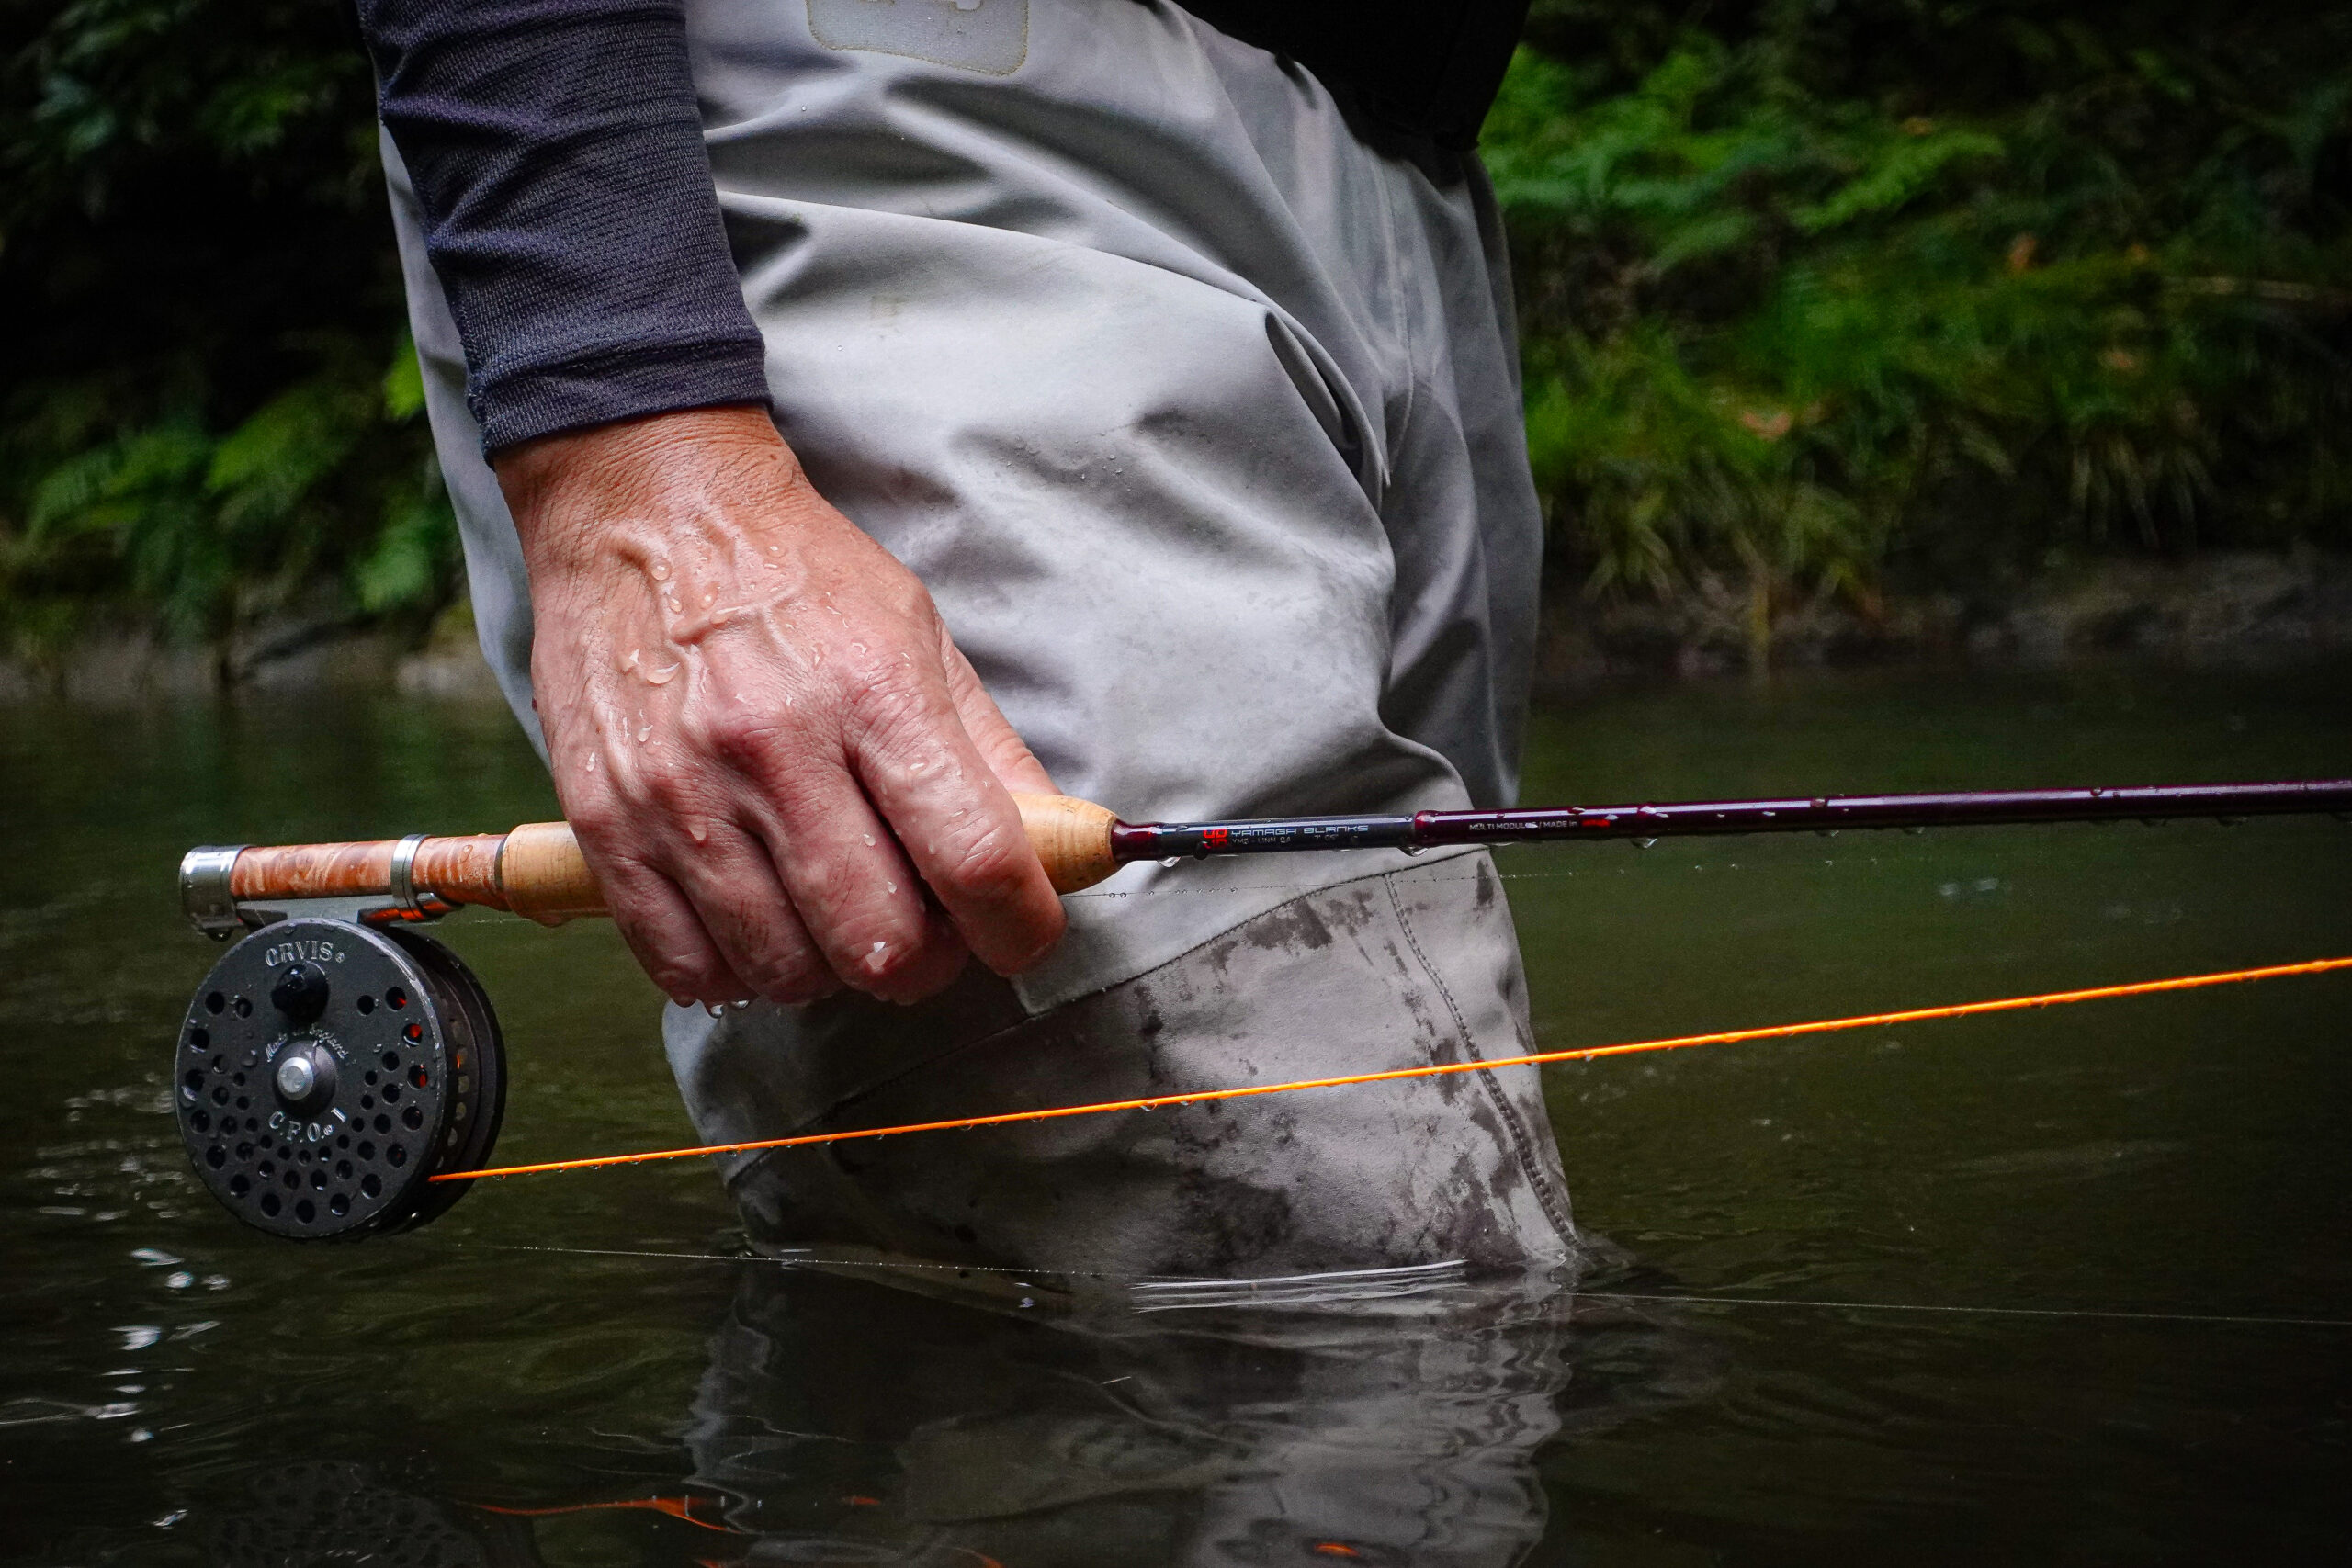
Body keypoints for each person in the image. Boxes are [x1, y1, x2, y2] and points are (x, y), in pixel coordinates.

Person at [358, 0, 1578, 1281]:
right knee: (1335, 1294)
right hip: (884, 106)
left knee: (1444, 1288)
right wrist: (636, 444)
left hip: (1407, 175)